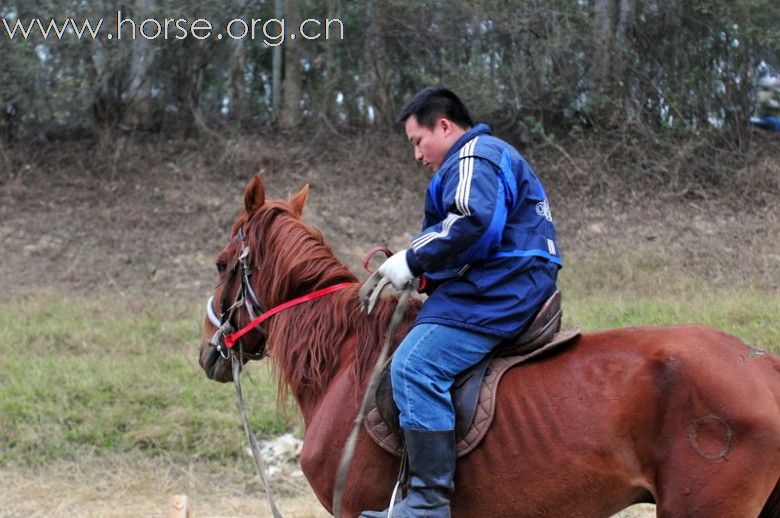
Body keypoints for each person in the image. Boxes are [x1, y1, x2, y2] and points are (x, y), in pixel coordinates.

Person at [360, 87, 562, 518]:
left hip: (503, 287)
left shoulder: (474, 156)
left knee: (415, 365)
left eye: (418, 141)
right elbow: (474, 238)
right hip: (497, 280)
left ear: (446, 126)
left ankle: (429, 503)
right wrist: (421, 272)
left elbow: (474, 220)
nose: (416, 155)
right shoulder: (477, 160)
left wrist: (412, 258)